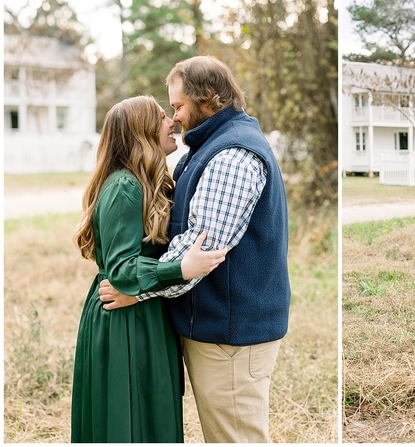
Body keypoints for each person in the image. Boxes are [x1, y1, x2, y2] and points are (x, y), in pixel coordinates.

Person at [99, 55, 291, 443]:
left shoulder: (232, 155)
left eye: (178, 106)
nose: (175, 118)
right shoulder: (205, 149)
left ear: (208, 99)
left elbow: (199, 250)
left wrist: (135, 289)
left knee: (235, 438)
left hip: (231, 335)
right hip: (215, 329)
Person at [71, 96, 228, 442]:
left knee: (151, 416)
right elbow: (122, 269)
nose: (171, 121)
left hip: (146, 311)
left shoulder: (148, 182)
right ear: (141, 132)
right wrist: (180, 268)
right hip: (123, 321)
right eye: (161, 117)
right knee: (127, 422)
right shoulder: (124, 188)